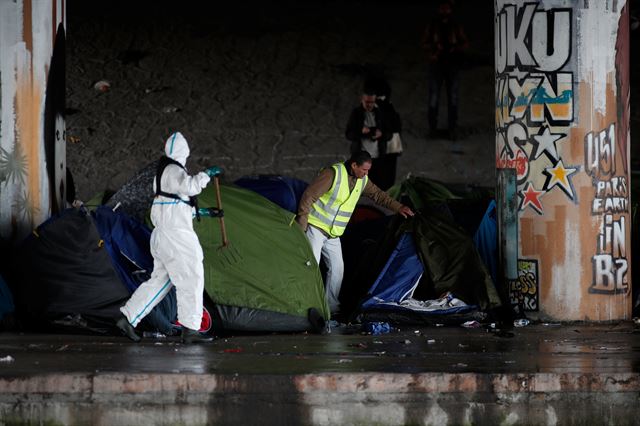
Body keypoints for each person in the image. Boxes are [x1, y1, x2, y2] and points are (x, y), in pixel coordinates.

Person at [116, 132, 223, 344]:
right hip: (176, 239)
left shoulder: (163, 173)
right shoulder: (173, 170)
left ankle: (128, 318)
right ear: (184, 152)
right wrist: (206, 175)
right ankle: (191, 330)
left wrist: (203, 213)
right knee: (192, 278)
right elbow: (189, 187)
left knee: (159, 283)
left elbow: (174, 206)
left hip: (163, 237)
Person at [296, 151, 414, 317]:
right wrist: (302, 224)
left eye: (368, 171)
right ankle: (305, 304)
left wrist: (398, 208)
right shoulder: (332, 174)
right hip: (316, 228)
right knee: (310, 267)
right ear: (354, 165)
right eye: (364, 170)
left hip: (333, 234)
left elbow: (378, 196)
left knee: (337, 270)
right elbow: (308, 196)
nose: (366, 174)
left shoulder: (362, 180)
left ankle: (331, 306)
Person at [421, 0, 468, 140]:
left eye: (447, 8)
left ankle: (452, 128)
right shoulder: (433, 25)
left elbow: (465, 43)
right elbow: (424, 43)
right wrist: (435, 48)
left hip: (452, 65)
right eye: (442, 8)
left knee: (452, 99)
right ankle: (432, 129)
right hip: (436, 65)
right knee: (434, 98)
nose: (445, 10)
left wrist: (455, 48)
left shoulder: (455, 25)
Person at [345, 87, 395, 191]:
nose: (369, 105)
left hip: (378, 157)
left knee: (378, 187)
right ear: (362, 100)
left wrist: (380, 134)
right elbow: (348, 134)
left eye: (372, 102)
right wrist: (360, 131)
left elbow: (389, 134)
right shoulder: (356, 113)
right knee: (358, 187)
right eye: (367, 102)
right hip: (360, 158)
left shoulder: (380, 114)